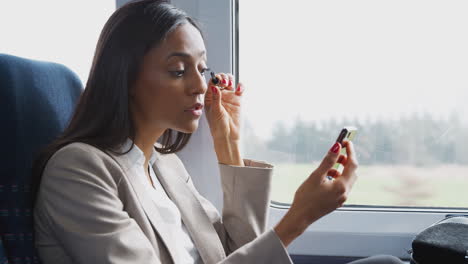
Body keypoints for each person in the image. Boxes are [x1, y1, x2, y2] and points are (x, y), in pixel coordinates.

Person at [32, 0, 403, 263]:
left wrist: (228, 144)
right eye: (178, 71)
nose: (199, 86)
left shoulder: (164, 166)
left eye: (203, 69)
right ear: (126, 76)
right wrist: (298, 218)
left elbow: (230, 254)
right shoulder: (78, 171)